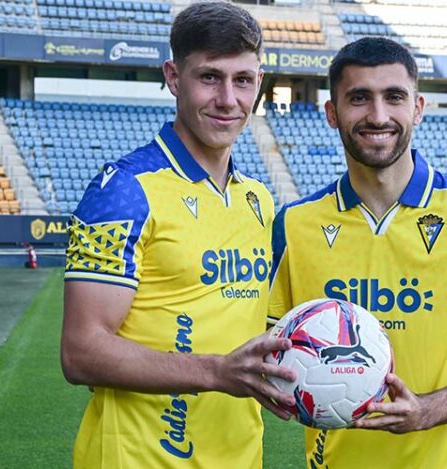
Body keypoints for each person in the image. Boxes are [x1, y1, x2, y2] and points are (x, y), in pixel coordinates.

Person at [61, 3, 296, 468]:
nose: (228, 99)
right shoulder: (125, 191)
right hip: (139, 458)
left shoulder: (258, 199)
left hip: (239, 456)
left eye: (243, 80)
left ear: (259, 83)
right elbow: (81, 351)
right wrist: (216, 371)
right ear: (173, 76)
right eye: (210, 77)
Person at [269, 37, 447, 468]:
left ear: (417, 108)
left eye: (394, 97)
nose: (378, 116)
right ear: (332, 113)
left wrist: (424, 412)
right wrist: (275, 388)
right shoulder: (293, 223)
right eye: (359, 98)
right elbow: (268, 352)